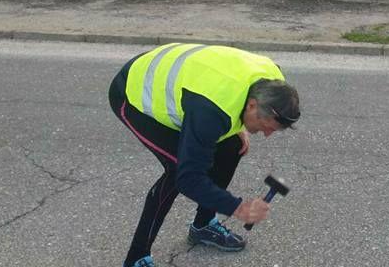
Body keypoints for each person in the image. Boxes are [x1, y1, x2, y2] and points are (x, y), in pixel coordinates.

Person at [108, 43, 301, 267]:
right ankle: (137, 257)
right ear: (251, 105)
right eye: (266, 126)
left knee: (232, 146)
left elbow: (232, 95)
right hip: (134, 91)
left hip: (196, 88)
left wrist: (237, 127)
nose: (267, 134)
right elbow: (189, 179)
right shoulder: (211, 111)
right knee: (177, 169)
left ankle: (203, 224)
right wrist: (238, 208)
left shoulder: (274, 81)